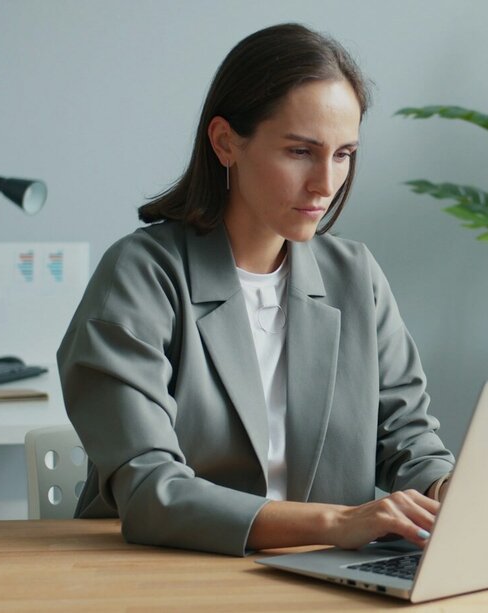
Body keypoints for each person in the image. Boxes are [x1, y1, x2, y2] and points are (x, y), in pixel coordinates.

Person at [57, 23, 455, 557]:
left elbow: (409, 442)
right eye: (300, 152)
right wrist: (338, 522)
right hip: (167, 575)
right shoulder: (139, 275)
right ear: (225, 142)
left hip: (320, 578)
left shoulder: (356, 275)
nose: (326, 183)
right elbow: (152, 492)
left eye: (343, 154)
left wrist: (450, 493)